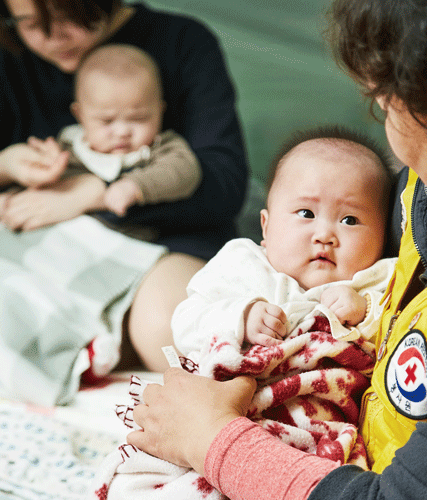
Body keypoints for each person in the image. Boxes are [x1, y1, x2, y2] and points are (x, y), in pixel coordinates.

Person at [127, 0, 427, 499]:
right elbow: (197, 320)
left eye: (386, 98)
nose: (326, 233)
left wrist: (210, 437)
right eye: (305, 214)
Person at [0, 0, 248, 373]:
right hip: (55, 245)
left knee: (167, 330)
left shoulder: (182, 42)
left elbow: (224, 184)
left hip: (166, 239)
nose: (54, 37)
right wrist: (6, 165)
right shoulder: (10, 57)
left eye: (69, 16)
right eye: (30, 23)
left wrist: (95, 194)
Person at [172, 125, 396, 362]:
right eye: (307, 213)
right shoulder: (242, 264)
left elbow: (405, 334)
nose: (324, 235)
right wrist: (242, 318)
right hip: (242, 393)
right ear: (266, 227)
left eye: (349, 220)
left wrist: (366, 310)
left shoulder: (379, 281)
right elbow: (185, 324)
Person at [55, 43, 202, 218]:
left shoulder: (161, 148)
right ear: (80, 115)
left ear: (160, 112)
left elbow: (185, 172)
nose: (122, 132)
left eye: (138, 119)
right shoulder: (69, 146)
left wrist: (136, 186)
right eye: (107, 121)